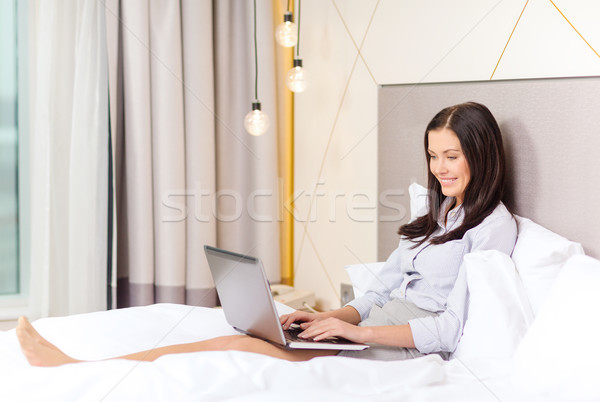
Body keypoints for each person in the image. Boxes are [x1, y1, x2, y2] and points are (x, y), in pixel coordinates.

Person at [16, 101, 517, 366]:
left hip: (402, 345)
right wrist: (328, 319)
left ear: (482, 152)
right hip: (366, 329)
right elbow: (378, 291)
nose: (440, 167)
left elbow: (450, 328)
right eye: (433, 156)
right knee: (236, 330)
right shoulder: (435, 213)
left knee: (241, 350)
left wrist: (358, 334)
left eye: (452, 155)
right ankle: (96, 361)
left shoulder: (493, 229)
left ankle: (81, 367)